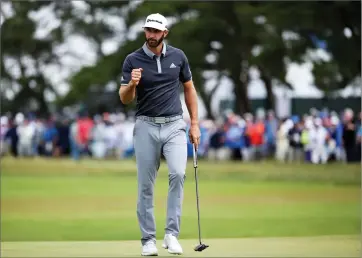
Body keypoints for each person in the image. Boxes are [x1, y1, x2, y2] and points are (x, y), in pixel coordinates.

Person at [119, 13, 200, 256]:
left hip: (175, 124)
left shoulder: (178, 56)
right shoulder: (132, 59)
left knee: (178, 173)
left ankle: (171, 234)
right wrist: (132, 84)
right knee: (146, 184)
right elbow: (124, 98)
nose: (151, 35)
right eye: (148, 31)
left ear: (165, 32)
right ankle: (148, 240)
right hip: (145, 125)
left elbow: (189, 88)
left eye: (156, 31)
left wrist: (194, 123)